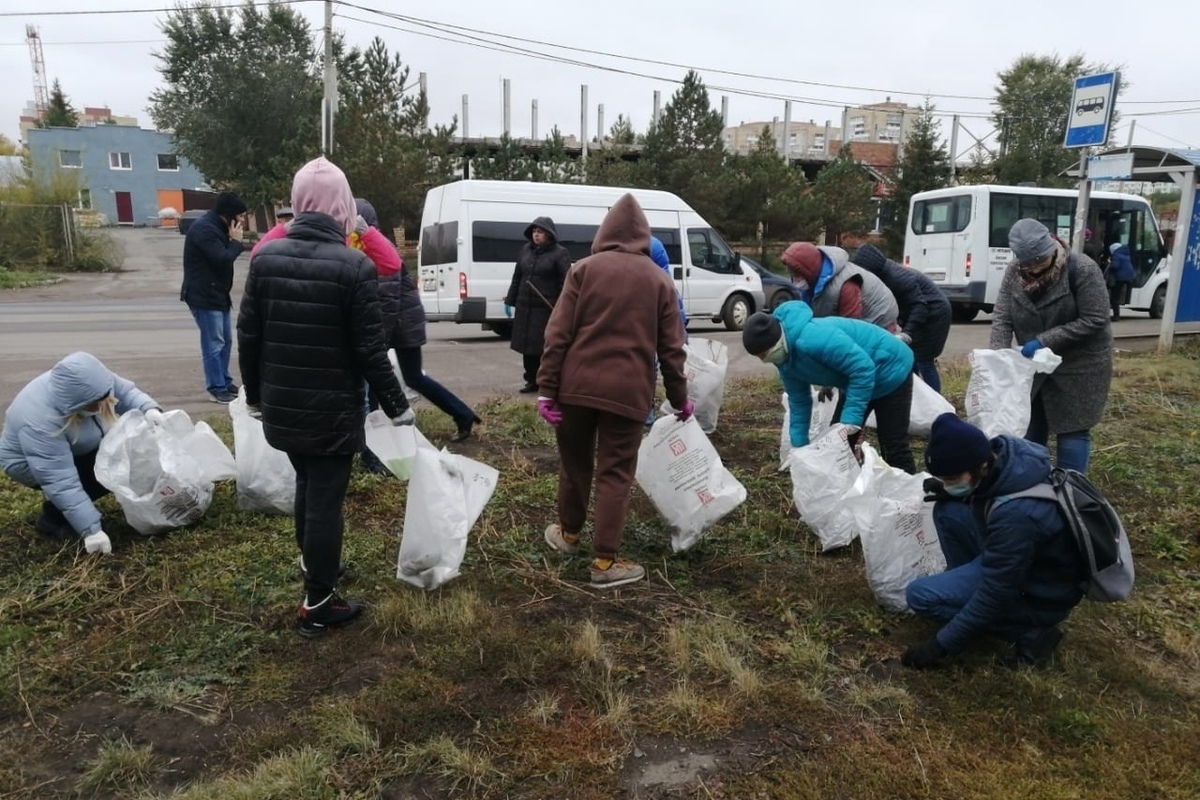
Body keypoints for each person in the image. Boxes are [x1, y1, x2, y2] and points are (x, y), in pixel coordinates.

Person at [237, 156, 414, 638]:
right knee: (324, 503)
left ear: (297, 204)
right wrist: (398, 407)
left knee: (309, 489)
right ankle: (319, 603)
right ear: (342, 206)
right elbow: (369, 350)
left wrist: (255, 396)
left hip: (284, 406)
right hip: (333, 412)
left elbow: (248, 336)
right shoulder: (353, 266)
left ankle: (317, 571)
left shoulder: (265, 258)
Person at [537, 194, 690, 589]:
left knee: (574, 464)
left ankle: (569, 535)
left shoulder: (582, 270)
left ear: (603, 233)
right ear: (644, 237)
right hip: (628, 394)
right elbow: (672, 349)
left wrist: (546, 390)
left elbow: (557, 335)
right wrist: (679, 399)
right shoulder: (659, 281)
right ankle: (605, 563)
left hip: (574, 389)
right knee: (615, 473)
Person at [901, 413, 1085, 669]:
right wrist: (949, 490)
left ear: (981, 466)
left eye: (953, 479)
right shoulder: (1006, 457)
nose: (948, 484)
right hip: (1021, 563)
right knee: (948, 511)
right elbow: (988, 495)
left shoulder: (1017, 516)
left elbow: (995, 595)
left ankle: (1032, 635)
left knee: (920, 596)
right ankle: (962, 592)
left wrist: (942, 644)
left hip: (1041, 592)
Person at [0, 352, 164, 554]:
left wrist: (149, 409)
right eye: (95, 403)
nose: (104, 404)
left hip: (75, 445)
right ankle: (53, 519)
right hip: (26, 462)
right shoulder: (40, 423)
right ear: (74, 404)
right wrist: (91, 529)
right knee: (106, 471)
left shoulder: (91, 380)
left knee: (119, 458)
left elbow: (122, 391)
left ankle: (72, 507)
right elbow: (60, 480)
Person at [990, 219, 1111, 474]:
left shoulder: (1082, 269)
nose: (1034, 269)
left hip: (1080, 363)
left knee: (1072, 430)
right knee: (1030, 427)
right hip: (1034, 366)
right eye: (1028, 263)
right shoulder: (1014, 271)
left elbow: (1096, 319)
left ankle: (1071, 490)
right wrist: (999, 357)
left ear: (1052, 248)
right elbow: (1002, 316)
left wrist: (1044, 340)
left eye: (1039, 261)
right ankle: (1034, 486)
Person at [358, 198, 481, 443]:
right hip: (399, 323)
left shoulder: (379, 248)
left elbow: (387, 300)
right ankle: (462, 414)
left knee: (389, 378)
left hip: (401, 324)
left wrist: (377, 341)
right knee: (403, 378)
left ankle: (374, 442)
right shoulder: (365, 247)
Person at [742, 303, 917, 474]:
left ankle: (909, 497)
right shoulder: (785, 362)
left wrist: (851, 419)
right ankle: (849, 490)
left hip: (891, 369)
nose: (764, 360)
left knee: (892, 445)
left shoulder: (813, 338)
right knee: (837, 443)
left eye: (763, 354)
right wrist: (798, 446)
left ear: (776, 342)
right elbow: (799, 401)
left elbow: (862, 368)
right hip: (856, 381)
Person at [852, 243, 953, 393]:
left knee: (924, 360)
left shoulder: (897, 278)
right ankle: (915, 400)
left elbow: (919, 306)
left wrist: (907, 333)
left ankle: (936, 406)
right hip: (922, 311)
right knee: (909, 358)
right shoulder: (884, 275)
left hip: (935, 313)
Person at [181, 191, 247, 404]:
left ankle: (225, 381)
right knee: (214, 342)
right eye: (241, 215)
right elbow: (223, 258)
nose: (243, 220)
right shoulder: (204, 230)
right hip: (203, 295)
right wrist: (236, 243)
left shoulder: (219, 226)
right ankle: (216, 387)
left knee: (226, 341)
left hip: (218, 294)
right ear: (229, 215)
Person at [505, 216, 572, 393]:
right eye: (534, 231)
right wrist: (511, 299)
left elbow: (565, 281)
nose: (536, 235)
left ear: (549, 234)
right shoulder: (525, 251)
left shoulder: (559, 253)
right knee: (527, 347)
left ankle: (547, 381)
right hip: (525, 307)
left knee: (543, 346)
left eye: (540, 232)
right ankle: (531, 380)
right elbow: (517, 276)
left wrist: (561, 306)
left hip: (545, 308)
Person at [780, 241, 899, 331]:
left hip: (879, 323)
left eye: (797, 274)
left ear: (809, 270)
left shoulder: (845, 285)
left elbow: (850, 328)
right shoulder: (811, 282)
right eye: (792, 274)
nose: (795, 279)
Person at [1106, 242, 1136, 322]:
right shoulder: (1125, 253)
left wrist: (1109, 263)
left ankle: (1116, 316)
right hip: (1129, 277)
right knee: (1118, 296)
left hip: (1120, 278)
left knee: (1114, 298)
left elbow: (1115, 266)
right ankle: (1117, 315)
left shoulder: (1116, 254)